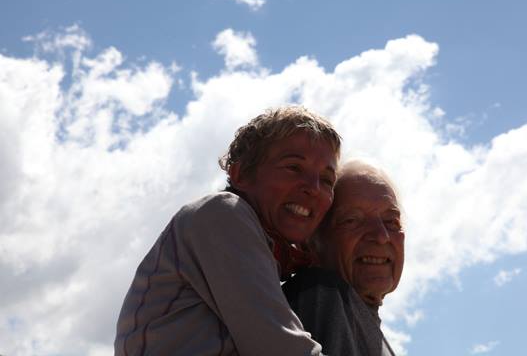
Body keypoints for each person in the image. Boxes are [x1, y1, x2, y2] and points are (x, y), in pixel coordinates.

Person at [115, 106, 340, 356]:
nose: (314, 188)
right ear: (241, 173)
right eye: (293, 168)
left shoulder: (272, 254)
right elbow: (281, 347)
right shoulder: (222, 213)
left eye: (327, 181)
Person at [283, 160, 404, 356]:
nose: (382, 236)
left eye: (391, 221)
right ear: (311, 244)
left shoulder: (364, 323)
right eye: (352, 220)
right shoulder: (321, 292)